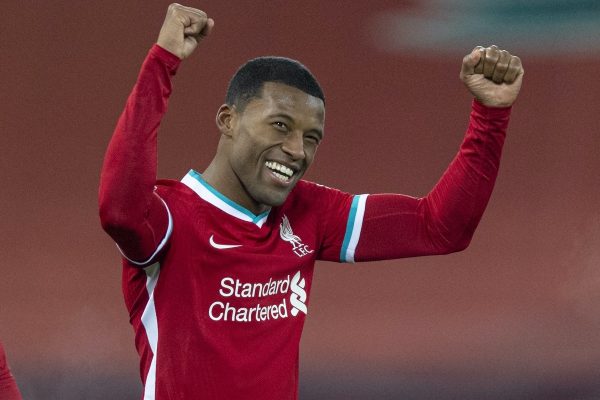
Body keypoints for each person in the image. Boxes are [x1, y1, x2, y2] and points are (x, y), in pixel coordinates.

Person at [98, 4, 523, 399]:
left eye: (311, 138)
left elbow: (439, 227)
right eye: (280, 126)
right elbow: (119, 209)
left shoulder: (309, 213)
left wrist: (490, 115)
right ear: (228, 120)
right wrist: (162, 62)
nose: (297, 150)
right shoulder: (171, 218)